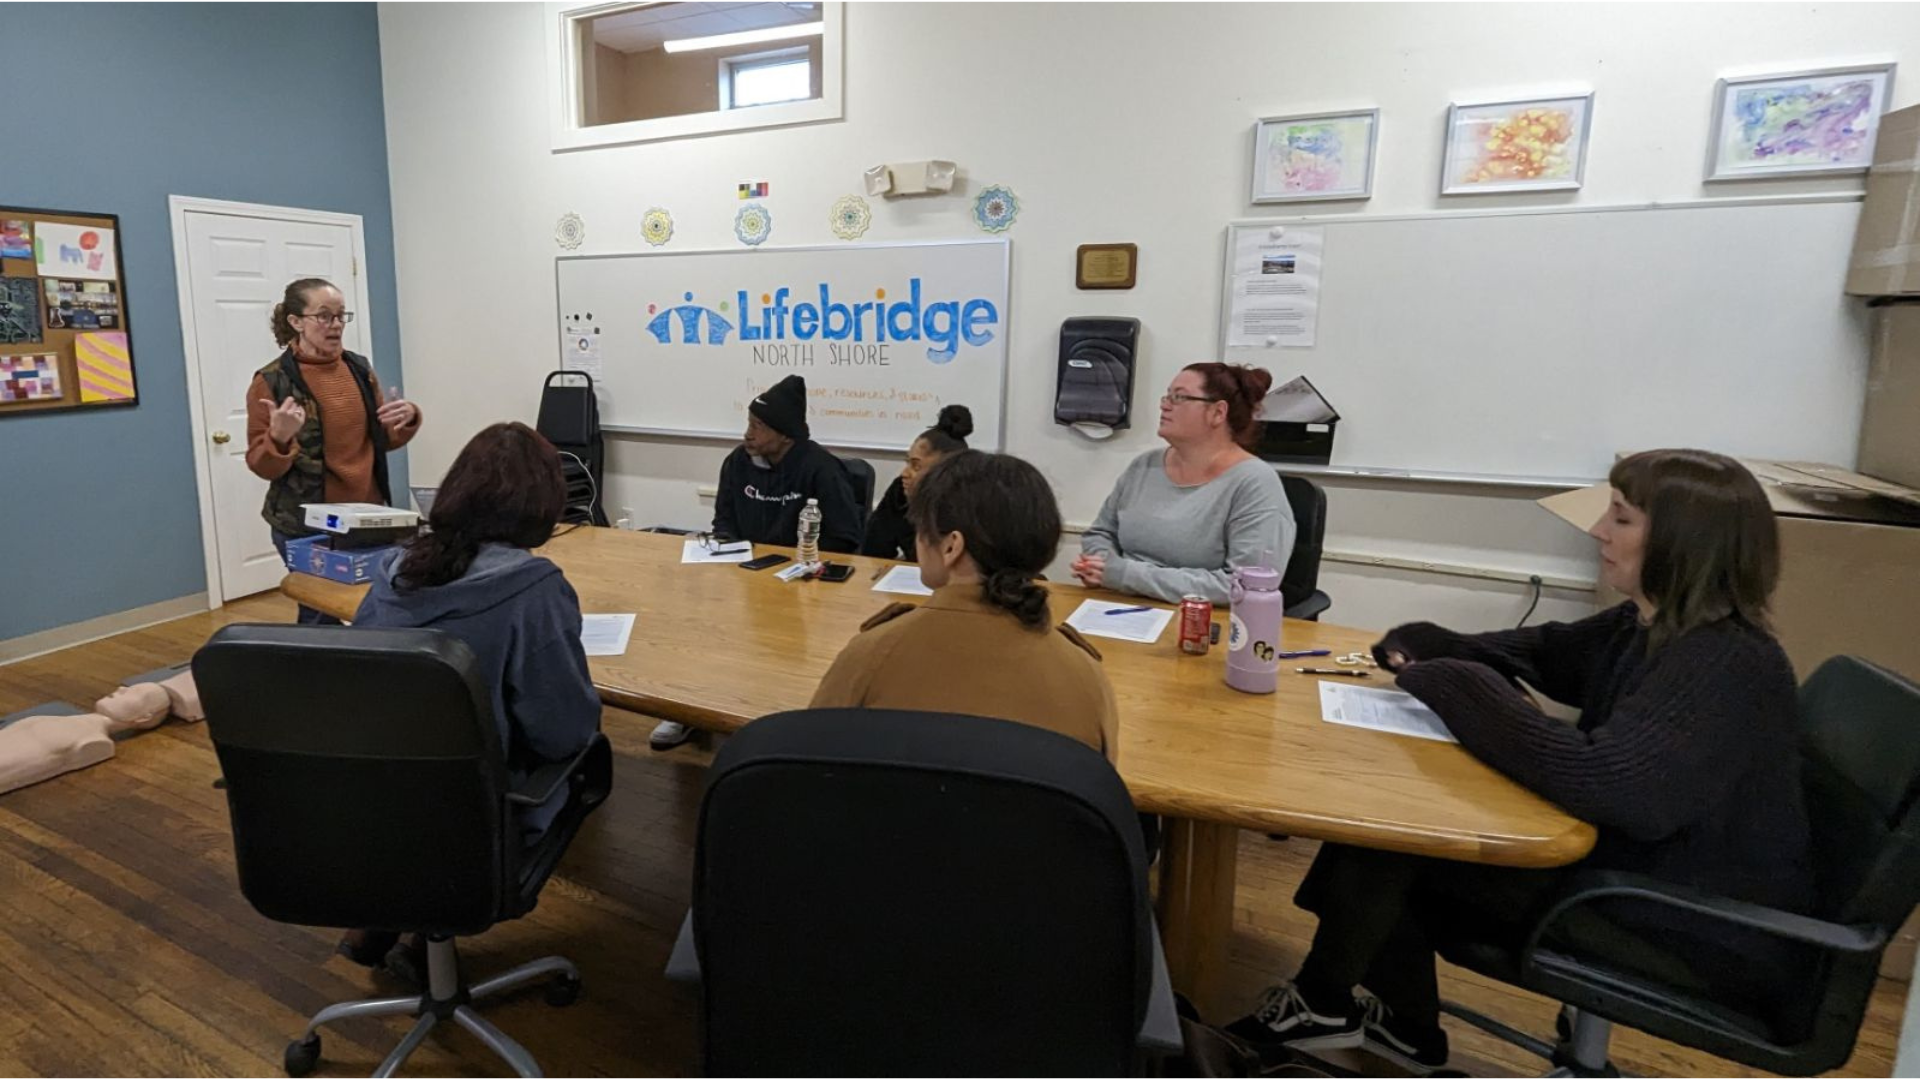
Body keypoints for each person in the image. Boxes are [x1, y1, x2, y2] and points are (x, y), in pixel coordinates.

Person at [1226, 449, 1813, 1075]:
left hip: (1687, 924)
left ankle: (1337, 1005)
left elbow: (1610, 786)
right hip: (1639, 875)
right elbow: (1548, 651)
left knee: (1393, 841)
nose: (1597, 533)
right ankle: (1390, 1023)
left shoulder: (1724, 662)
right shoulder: (1650, 624)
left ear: (1681, 543)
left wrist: (1454, 683)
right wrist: (1443, 647)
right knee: (1385, 828)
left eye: (1620, 519)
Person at [345, 421, 601, 978]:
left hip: (366, 810)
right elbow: (565, 732)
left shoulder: (394, 569)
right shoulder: (533, 588)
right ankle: (422, 919)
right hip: (475, 823)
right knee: (588, 760)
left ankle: (404, 920)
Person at [812, 450, 1119, 763]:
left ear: (950, 546)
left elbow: (810, 761)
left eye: (920, 527)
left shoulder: (872, 655)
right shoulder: (1086, 678)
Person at [651, 373, 864, 749]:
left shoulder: (821, 469)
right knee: (693, 623)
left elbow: (844, 538)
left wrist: (801, 566)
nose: (747, 433)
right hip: (744, 578)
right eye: (748, 423)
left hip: (802, 585)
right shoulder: (738, 463)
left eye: (757, 426)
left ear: (785, 434)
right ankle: (687, 709)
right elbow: (724, 521)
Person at [246, 278, 421, 624]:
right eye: (324, 316)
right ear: (296, 322)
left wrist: (408, 417)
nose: (336, 325)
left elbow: (383, 440)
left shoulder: (358, 369)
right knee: (319, 614)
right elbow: (261, 465)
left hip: (367, 517)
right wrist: (279, 438)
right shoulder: (272, 381)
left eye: (341, 316)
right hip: (306, 525)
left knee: (377, 604)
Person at [1073, 363, 1293, 604]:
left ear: (1218, 413)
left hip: (1201, 622)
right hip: (1117, 604)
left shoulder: (1254, 483)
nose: (1164, 404)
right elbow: (1100, 533)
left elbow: (1242, 585)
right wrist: (1100, 566)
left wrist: (1126, 575)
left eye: (1179, 397)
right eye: (1167, 395)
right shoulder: (1144, 466)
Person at [859, 404, 973, 561]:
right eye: (908, 462)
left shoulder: (972, 502)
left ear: (947, 470)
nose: (905, 473)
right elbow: (874, 551)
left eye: (916, 466)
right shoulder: (900, 491)